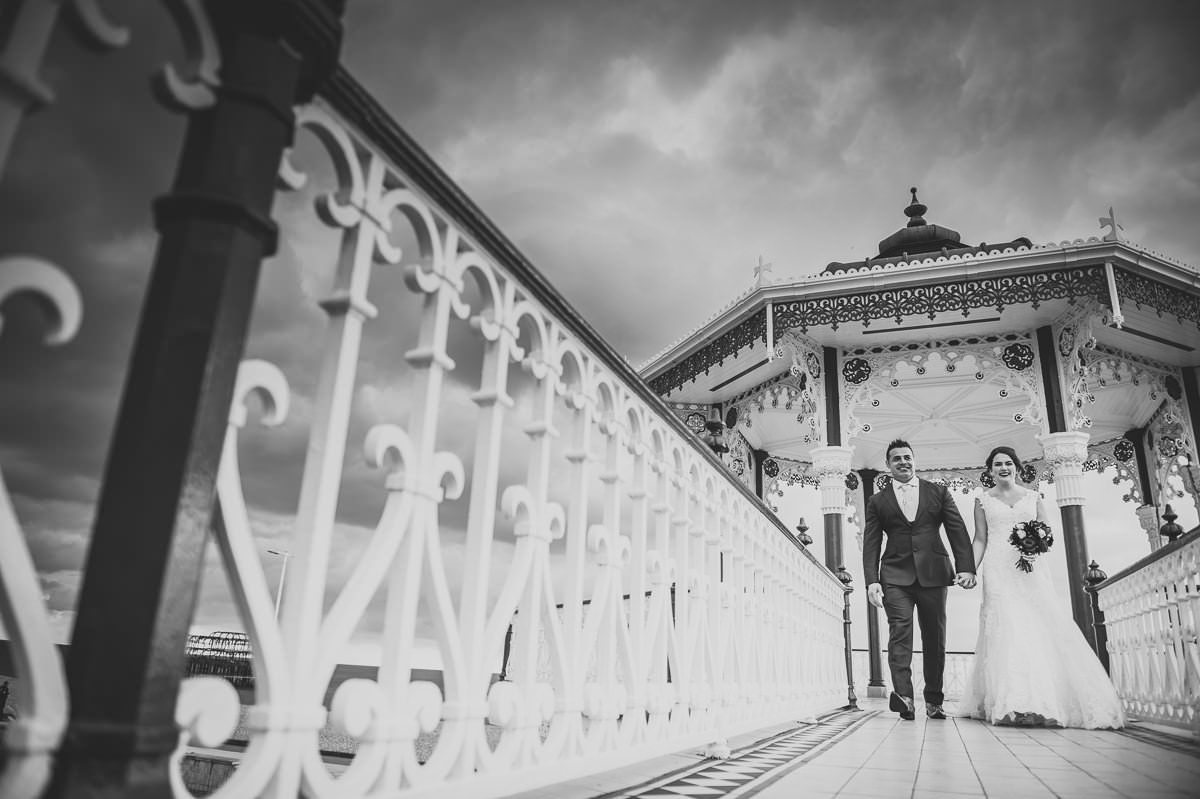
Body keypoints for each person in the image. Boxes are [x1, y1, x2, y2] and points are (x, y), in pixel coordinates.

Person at [959, 445, 1125, 728]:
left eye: (1008, 463)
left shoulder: (1033, 497)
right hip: (998, 569)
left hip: (1031, 569)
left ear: (1017, 467)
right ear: (989, 470)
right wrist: (967, 570)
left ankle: (1043, 700)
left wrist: (1035, 548)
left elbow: (1046, 531)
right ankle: (1013, 702)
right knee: (1006, 628)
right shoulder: (982, 501)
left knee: (1037, 626)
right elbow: (980, 539)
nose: (1003, 468)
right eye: (997, 464)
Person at [864, 439, 977, 721]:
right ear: (888, 466)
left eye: (907, 457)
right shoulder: (878, 500)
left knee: (934, 637)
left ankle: (934, 701)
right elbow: (872, 542)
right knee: (899, 633)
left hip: (934, 574)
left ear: (914, 460)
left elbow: (957, 529)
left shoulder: (937, 493)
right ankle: (904, 697)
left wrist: (966, 567)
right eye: (896, 459)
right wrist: (872, 580)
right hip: (894, 575)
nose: (903, 462)